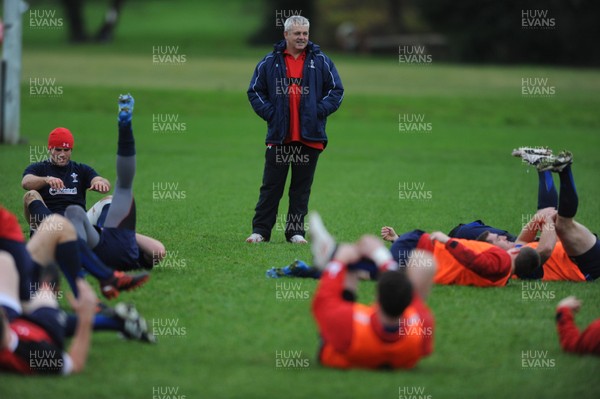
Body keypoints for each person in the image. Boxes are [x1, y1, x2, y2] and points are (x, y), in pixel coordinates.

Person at [246, 15, 344, 244]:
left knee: (300, 190)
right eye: (297, 33)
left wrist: (318, 111)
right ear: (286, 35)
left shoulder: (321, 61)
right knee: (271, 187)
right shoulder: (270, 62)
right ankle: (260, 231)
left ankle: (295, 232)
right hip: (280, 138)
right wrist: (272, 115)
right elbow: (255, 92)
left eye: (305, 33)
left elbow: (336, 91)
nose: (302, 38)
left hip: (310, 138)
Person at [309, 212, 433, 369]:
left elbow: (324, 299)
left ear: (377, 298)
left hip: (340, 346)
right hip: (398, 354)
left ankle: (331, 253)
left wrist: (339, 260)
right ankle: (336, 255)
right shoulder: (420, 328)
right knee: (425, 262)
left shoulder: (348, 321)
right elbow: (404, 291)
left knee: (349, 267)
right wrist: (382, 257)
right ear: (408, 303)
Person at [65, 94, 156, 271]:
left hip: (99, 245)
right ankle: (125, 126)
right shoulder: (132, 253)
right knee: (123, 185)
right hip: (123, 247)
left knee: (75, 211)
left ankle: (79, 266)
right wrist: (131, 235)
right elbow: (158, 251)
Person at [482, 149, 599, 281]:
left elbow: (523, 240)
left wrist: (539, 218)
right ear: (496, 252)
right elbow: (546, 249)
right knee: (561, 224)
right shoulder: (515, 267)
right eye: (498, 239)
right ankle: (565, 170)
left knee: (545, 214)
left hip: (575, 249)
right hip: (584, 266)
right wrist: (548, 219)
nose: (503, 236)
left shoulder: (516, 250)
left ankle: (541, 163)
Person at [0, 251, 96, 375]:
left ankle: (34, 290)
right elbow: (74, 363)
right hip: (45, 326)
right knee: (46, 290)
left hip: (17, 321)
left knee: (4, 259)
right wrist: (86, 316)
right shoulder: (35, 353)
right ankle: (47, 285)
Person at [22, 126, 110, 232]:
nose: (62, 154)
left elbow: (103, 181)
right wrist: (46, 180)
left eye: (66, 150)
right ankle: (46, 233)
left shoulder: (81, 169)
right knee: (30, 195)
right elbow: (26, 182)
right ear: (50, 149)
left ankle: (103, 236)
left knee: (110, 199)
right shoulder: (39, 168)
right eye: (58, 150)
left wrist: (100, 183)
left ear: (71, 150)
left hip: (79, 223)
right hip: (51, 225)